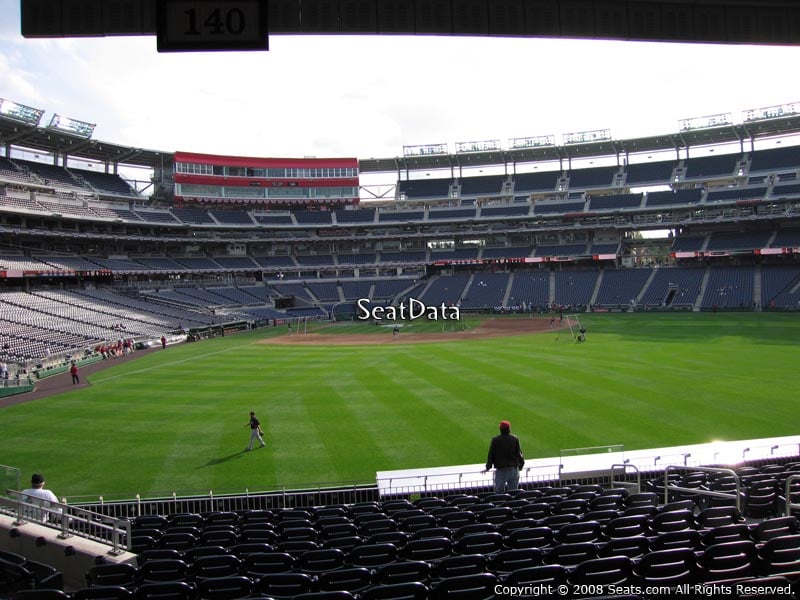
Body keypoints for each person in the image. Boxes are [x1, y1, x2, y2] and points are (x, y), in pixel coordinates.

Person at [485, 420, 525, 493]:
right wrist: (521, 465)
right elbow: (519, 454)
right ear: (509, 429)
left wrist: (488, 467)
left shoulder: (496, 440)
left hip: (501, 471)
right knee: (514, 493)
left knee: (499, 493)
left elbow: (491, 455)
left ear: (500, 429)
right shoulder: (514, 438)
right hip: (513, 469)